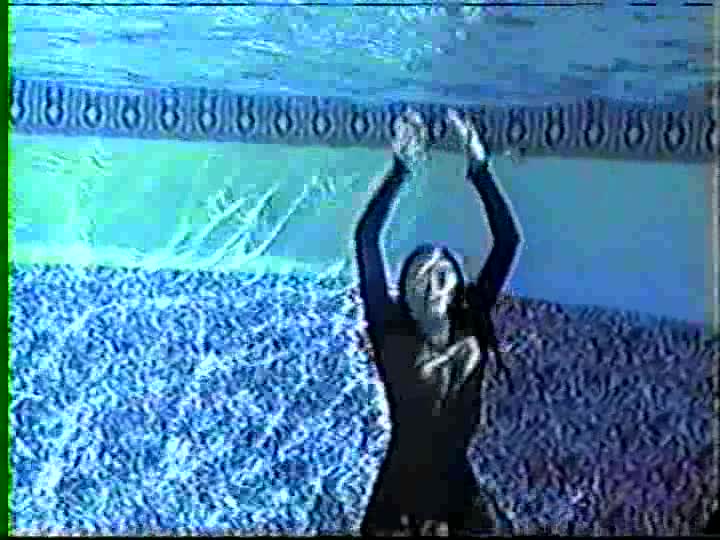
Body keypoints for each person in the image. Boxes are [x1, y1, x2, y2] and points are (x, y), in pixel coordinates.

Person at [355, 109, 522, 536]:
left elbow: (508, 241)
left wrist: (479, 167)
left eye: (442, 276)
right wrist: (401, 169)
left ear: (457, 287)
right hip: (401, 482)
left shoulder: (472, 320)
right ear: (404, 290)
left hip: (456, 482)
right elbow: (366, 238)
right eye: (420, 277)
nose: (431, 285)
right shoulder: (389, 329)